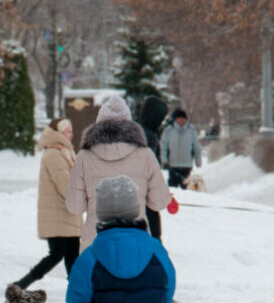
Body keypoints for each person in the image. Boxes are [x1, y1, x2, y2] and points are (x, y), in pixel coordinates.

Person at [66, 95, 173, 253]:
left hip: (95, 244)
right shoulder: (146, 154)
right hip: (136, 244)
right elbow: (159, 202)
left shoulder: (84, 156)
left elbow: (74, 206)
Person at [12, 118, 84, 289]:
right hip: (58, 214)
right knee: (57, 254)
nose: (71, 135)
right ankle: (22, 284)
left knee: (73, 256)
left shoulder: (65, 151)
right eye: (68, 132)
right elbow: (66, 185)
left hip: (67, 214)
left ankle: (78, 291)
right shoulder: (54, 154)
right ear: (58, 134)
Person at [137, 96, 170, 239]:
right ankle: (156, 241)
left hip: (136, 181)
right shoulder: (149, 135)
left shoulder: (138, 129)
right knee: (151, 212)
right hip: (145, 182)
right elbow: (152, 163)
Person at [159, 108, 201, 188]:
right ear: (175, 119)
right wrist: (164, 160)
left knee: (186, 189)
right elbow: (163, 147)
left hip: (186, 165)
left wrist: (198, 161)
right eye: (179, 119)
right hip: (172, 166)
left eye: (183, 119)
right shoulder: (168, 131)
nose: (181, 121)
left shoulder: (191, 131)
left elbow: (196, 147)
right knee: (172, 190)